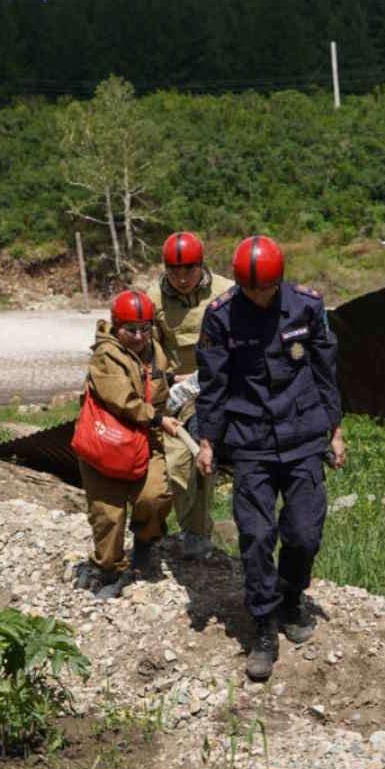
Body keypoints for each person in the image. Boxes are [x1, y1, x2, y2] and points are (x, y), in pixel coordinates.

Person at [194, 235, 346, 681]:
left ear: (278, 280)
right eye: (251, 289)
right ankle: (263, 624)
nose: (259, 297)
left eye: (266, 289)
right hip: (250, 438)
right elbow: (214, 383)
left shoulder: (305, 306)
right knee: (257, 535)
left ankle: (291, 597)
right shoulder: (221, 316)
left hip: (302, 434)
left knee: (303, 532)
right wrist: (207, 441)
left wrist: (334, 429)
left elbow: (324, 370)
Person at [74, 289, 181, 600]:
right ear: (116, 325)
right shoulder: (105, 356)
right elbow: (125, 400)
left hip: (146, 441)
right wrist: (159, 420)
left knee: (156, 497)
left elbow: (157, 381)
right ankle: (108, 568)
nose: (138, 336)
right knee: (108, 514)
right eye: (130, 330)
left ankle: (146, 543)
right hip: (106, 445)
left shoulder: (155, 350)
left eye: (144, 329)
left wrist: (176, 381)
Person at [149, 231, 235, 561]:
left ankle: (204, 533)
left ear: (202, 266)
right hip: (176, 392)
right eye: (174, 271)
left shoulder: (226, 292)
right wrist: (169, 382)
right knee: (180, 461)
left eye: (190, 270)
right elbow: (149, 350)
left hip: (219, 385)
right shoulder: (154, 299)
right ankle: (179, 531)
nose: (182, 279)